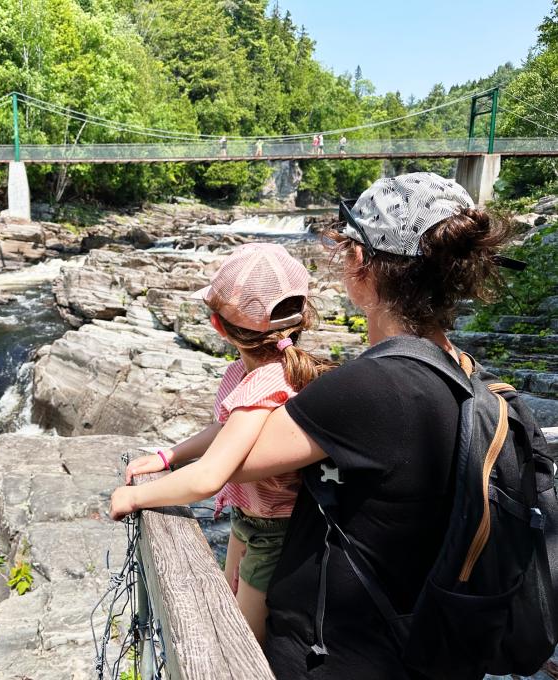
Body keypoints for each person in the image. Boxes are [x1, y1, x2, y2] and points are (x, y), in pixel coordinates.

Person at [214, 173, 514, 678]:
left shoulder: (364, 388)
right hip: (425, 647)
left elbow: (234, 463)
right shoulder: (461, 371)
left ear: (359, 263)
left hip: (335, 658)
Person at [110, 243, 331, 643]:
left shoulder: (265, 384)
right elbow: (227, 430)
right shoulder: (247, 374)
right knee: (230, 601)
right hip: (250, 518)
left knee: (246, 640)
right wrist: (169, 455)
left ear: (218, 326)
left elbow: (211, 477)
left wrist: (135, 499)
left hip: (277, 531)